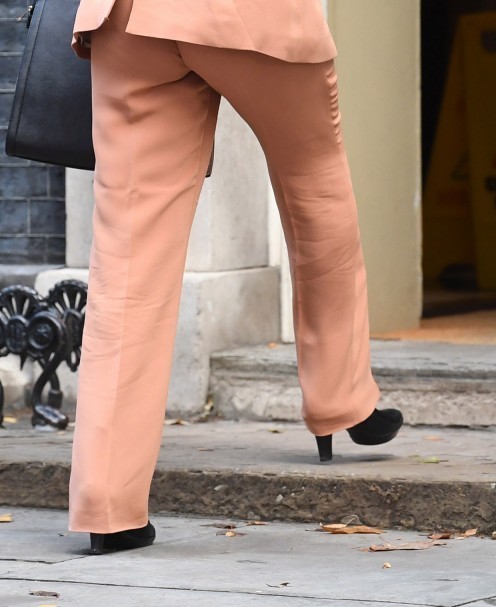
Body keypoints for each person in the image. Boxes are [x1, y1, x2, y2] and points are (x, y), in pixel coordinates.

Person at [69, 0, 403, 554]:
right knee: (315, 188)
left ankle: (108, 501)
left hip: (125, 19)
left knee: (129, 254)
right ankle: (341, 399)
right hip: (252, 14)